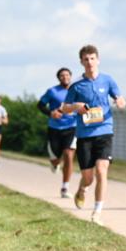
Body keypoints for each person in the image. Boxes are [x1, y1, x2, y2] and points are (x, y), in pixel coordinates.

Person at [60, 45, 125, 226]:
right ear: (81, 62)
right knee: (88, 177)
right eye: (86, 59)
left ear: (98, 60)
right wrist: (75, 107)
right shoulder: (77, 86)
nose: (89, 62)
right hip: (84, 134)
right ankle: (81, 190)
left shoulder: (107, 80)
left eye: (92, 58)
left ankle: (97, 212)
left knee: (102, 171)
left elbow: (120, 98)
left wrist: (120, 101)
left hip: (105, 130)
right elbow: (64, 108)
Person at [37, 67, 78, 199]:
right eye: (62, 75)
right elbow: (40, 105)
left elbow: (84, 106)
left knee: (68, 155)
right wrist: (51, 113)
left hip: (72, 127)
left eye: (67, 75)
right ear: (59, 78)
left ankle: (65, 188)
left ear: (70, 77)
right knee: (55, 159)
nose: (65, 77)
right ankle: (55, 164)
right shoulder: (52, 91)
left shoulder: (77, 90)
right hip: (54, 128)